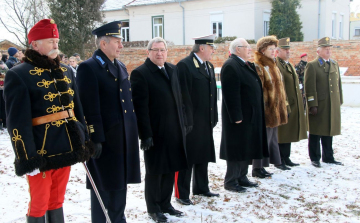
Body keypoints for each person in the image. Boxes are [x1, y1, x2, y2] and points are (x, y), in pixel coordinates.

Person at [4, 18, 93, 222]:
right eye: (50, 41)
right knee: (39, 202)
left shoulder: (66, 71)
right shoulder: (18, 75)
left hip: (67, 145)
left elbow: (77, 109)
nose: (56, 45)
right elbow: (17, 122)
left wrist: (85, 140)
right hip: (41, 149)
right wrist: (27, 157)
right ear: (34, 44)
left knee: (57, 200)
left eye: (57, 41)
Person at [76, 21, 141, 223]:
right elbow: (89, 107)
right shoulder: (89, 68)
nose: (121, 46)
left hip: (123, 138)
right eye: (117, 41)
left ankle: (118, 218)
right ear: (103, 44)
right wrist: (95, 138)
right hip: (104, 140)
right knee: (104, 186)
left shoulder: (119, 65)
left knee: (120, 184)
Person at [130, 37, 187, 223]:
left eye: (162, 50)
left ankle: (165, 203)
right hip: (155, 132)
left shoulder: (172, 69)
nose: (159, 53)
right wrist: (145, 134)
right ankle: (153, 208)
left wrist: (184, 123)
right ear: (148, 52)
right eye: (155, 50)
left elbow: (179, 99)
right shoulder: (141, 73)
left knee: (171, 168)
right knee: (155, 171)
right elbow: (140, 108)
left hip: (174, 129)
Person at [174, 34, 219, 205]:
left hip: (205, 120)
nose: (213, 51)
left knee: (203, 154)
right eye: (211, 48)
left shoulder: (208, 66)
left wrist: (213, 116)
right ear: (202, 48)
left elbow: (212, 94)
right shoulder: (185, 66)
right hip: (190, 122)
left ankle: (201, 187)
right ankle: (181, 193)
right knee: (187, 158)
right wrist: (186, 121)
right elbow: (182, 97)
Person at [220, 38, 269, 192]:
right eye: (247, 47)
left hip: (250, 116)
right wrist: (236, 116)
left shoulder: (245, 64)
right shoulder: (231, 65)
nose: (250, 49)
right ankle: (231, 180)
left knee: (246, 147)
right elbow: (230, 94)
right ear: (238, 49)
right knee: (236, 149)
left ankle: (242, 176)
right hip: (239, 118)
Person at [252, 35, 289, 178]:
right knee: (263, 140)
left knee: (272, 139)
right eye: (270, 49)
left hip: (275, 109)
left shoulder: (273, 65)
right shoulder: (259, 66)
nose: (274, 51)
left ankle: (263, 166)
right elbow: (259, 90)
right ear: (262, 50)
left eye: (275, 49)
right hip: (266, 110)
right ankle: (256, 168)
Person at [304, 37, 343, 168]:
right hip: (319, 104)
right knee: (316, 131)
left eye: (329, 48)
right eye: (325, 48)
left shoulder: (334, 64)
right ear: (318, 51)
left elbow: (338, 84)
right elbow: (309, 86)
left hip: (331, 103)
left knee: (329, 129)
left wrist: (339, 100)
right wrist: (312, 104)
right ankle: (315, 158)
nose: (328, 50)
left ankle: (328, 156)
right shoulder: (312, 65)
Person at [276, 38, 307, 168]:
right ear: (278, 51)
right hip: (284, 104)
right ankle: (279, 160)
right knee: (282, 133)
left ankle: (286, 157)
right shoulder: (277, 65)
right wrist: (285, 104)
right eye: (285, 49)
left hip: (293, 103)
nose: (288, 51)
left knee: (289, 132)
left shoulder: (288, 64)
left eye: (289, 49)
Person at [0, 52, 8, 129]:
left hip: (2, 88)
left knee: (3, 105)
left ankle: (5, 122)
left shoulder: (4, 65)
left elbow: (7, 74)